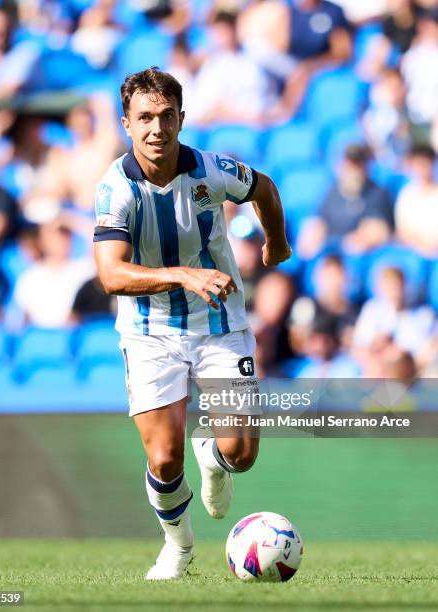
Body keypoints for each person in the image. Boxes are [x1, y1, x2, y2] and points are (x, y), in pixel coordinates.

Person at [93, 67, 291, 580]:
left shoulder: (213, 170)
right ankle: (178, 547)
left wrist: (277, 241)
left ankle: (213, 454)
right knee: (163, 460)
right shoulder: (116, 188)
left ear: (181, 118)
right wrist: (183, 276)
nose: (156, 129)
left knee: (240, 454)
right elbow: (110, 275)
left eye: (165, 116)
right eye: (144, 119)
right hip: (149, 332)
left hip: (221, 325)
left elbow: (264, 188)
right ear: (126, 124)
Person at [297, 144, 394, 258]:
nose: (353, 170)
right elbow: (316, 224)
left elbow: (378, 231)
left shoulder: (377, 193)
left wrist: (351, 243)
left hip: (360, 258)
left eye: (358, 164)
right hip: (331, 255)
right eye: (349, 164)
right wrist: (312, 241)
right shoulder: (331, 192)